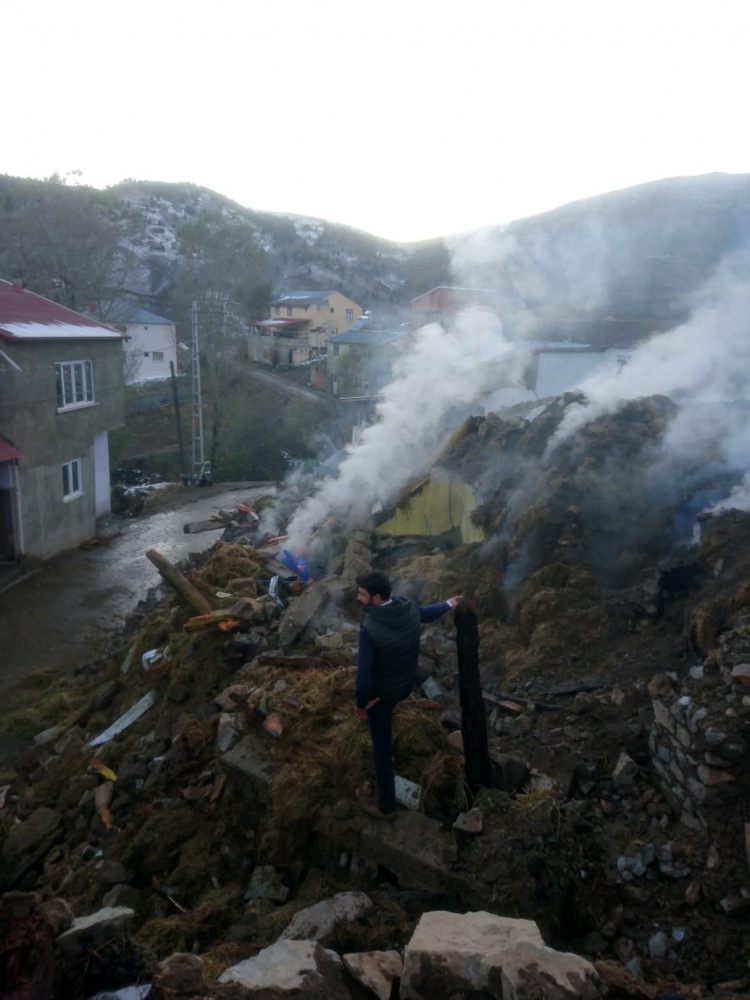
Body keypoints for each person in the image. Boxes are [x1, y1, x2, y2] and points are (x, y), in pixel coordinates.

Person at [354, 571, 462, 820]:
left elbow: (363, 676)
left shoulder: (369, 628)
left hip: (382, 697)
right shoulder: (409, 608)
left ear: (377, 598)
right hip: (404, 687)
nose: (358, 598)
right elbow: (428, 613)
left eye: (362, 594)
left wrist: (361, 703)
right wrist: (450, 603)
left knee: (381, 750)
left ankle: (386, 806)